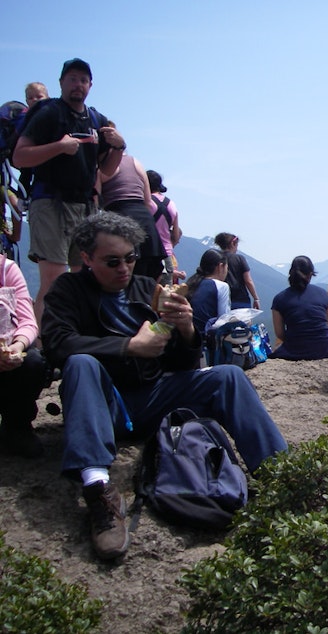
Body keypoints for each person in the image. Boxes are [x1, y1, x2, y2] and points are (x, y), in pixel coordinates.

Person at [40, 212, 287, 560]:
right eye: (112, 261)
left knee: (228, 376)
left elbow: (182, 363)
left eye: (130, 258)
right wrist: (129, 346)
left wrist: (186, 330)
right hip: (104, 403)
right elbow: (57, 345)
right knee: (80, 363)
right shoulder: (68, 291)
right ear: (86, 259)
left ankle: (281, 475)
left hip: (155, 396)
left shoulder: (145, 289)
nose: (124, 268)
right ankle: (98, 492)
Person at [13, 58, 126, 327]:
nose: (78, 85)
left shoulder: (95, 119)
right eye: (73, 79)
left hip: (85, 207)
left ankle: (78, 337)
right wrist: (59, 147)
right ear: (61, 82)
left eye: (83, 80)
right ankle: (45, 346)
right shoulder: (49, 114)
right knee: (53, 279)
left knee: (84, 277)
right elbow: (20, 157)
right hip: (50, 203)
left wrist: (120, 147)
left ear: (90, 85)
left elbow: (105, 170)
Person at [0, 253, 47, 458]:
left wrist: (18, 346)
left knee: (33, 362)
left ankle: (17, 427)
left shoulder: (7, 269)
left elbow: (28, 322)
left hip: (7, 354)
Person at [99, 151, 165, 280]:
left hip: (119, 219)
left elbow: (95, 203)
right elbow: (150, 203)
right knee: (148, 283)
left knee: (123, 279)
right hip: (145, 221)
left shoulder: (101, 166)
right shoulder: (135, 162)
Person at [270, 256, 328, 361]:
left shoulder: (279, 299)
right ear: (310, 275)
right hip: (325, 349)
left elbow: (280, 334)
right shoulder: (323, 294)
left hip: (294, 351)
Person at [146, 170, 182, 285]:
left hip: (148, 253)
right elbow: (175, 236)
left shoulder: (146, 202)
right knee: (164, 295)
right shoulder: (171, 204)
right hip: (167, 255)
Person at [185, 249, 230, 335]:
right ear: (220, 266)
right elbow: (224, 320)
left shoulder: (191, 283)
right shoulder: (221, 286)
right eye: (227, 268)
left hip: (185, 335)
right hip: (204, 338)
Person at [214, 233, 260, 310]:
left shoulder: (215, 258)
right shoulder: (239, 259)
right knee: (243, 321)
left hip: (220, 299)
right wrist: (256, 298)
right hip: (240, 300)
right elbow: (248, 281)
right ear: (233, 244)